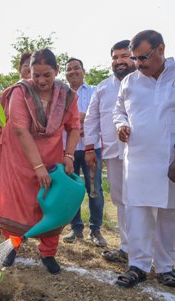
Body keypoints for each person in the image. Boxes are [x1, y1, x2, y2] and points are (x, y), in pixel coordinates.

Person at [0, 49, 81, 274]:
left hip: (51, 156)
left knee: (51, 203)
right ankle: (12, 246)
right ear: (29, 72)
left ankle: (48, 253)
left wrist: (68, 155)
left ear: (56, 71)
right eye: (36, 74)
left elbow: (74, 127)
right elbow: (20, 130)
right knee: (16, 203)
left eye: (47, 75)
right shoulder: (20, 92)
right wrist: (37, 166)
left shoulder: (67, 95)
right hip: (19, 158)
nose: (41, 81)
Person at [113, 30, 175, 288]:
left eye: (143, 58)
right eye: (135, 59)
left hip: (169, 162)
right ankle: (137, 265)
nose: (138, 64)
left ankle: (166, 267)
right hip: (137, 160)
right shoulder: (130, 82)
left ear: (160, 49)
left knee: (169, 216)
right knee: (136, 213)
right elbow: (118, 111)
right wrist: (121, 125)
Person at [84, 40, 135, 263]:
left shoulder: (146, 83)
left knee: (146, 202)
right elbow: (91, 119)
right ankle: (127, 248)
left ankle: (156, 254)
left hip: (143, 154)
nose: (119, 61)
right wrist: (89, 147)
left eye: (125, 55)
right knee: (121, 201)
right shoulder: (103, 87)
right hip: (113, 153)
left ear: (135, 57)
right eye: (115, 57)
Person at [62, 58, 106, 247]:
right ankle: (76, 228)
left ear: (83, 70)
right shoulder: (61, 94)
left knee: (94, 190)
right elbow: (60, 121)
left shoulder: (95, 91)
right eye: (69, 70)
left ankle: (95, 230)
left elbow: (100, 116)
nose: (73, 72)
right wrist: (78, 122)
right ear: (65, 74)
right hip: (68, 150)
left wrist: (81, 120)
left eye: (76, 68)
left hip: (91, 148)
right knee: (71, 190)